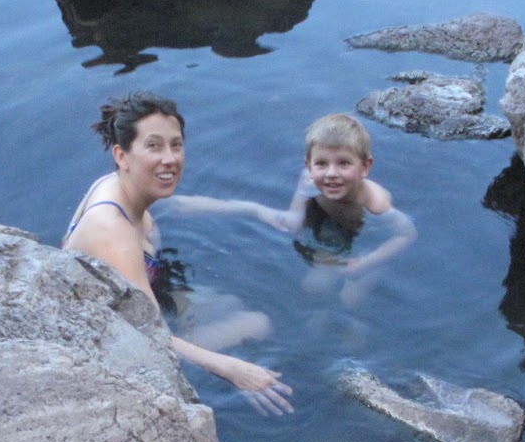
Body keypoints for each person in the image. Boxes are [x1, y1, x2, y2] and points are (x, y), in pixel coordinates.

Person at [64, 93, 295, 415]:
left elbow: (179, 206)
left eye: (176, 145)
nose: (170, 158)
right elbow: (151, 335)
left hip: (149, 298)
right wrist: (233, 371)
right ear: (122, 155)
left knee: (232, 304)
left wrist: (252, 209)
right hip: (115, 339)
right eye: (154, 146)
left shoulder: (117, 184)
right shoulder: (113, 230)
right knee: (259, 323)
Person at [172, 113, 417, 307]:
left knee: (349, 300)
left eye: (344, 163)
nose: (331, 173)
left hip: (370, 240)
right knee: (313, 288)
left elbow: (407, 234)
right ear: (309, 166)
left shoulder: (375, 203)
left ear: (365, 167)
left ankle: (356, 325)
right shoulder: (309, 181)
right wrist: (286, 218)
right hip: (333, 230)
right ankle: (323, 314)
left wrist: (367, 262)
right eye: (321, 163)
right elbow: (295, 221)